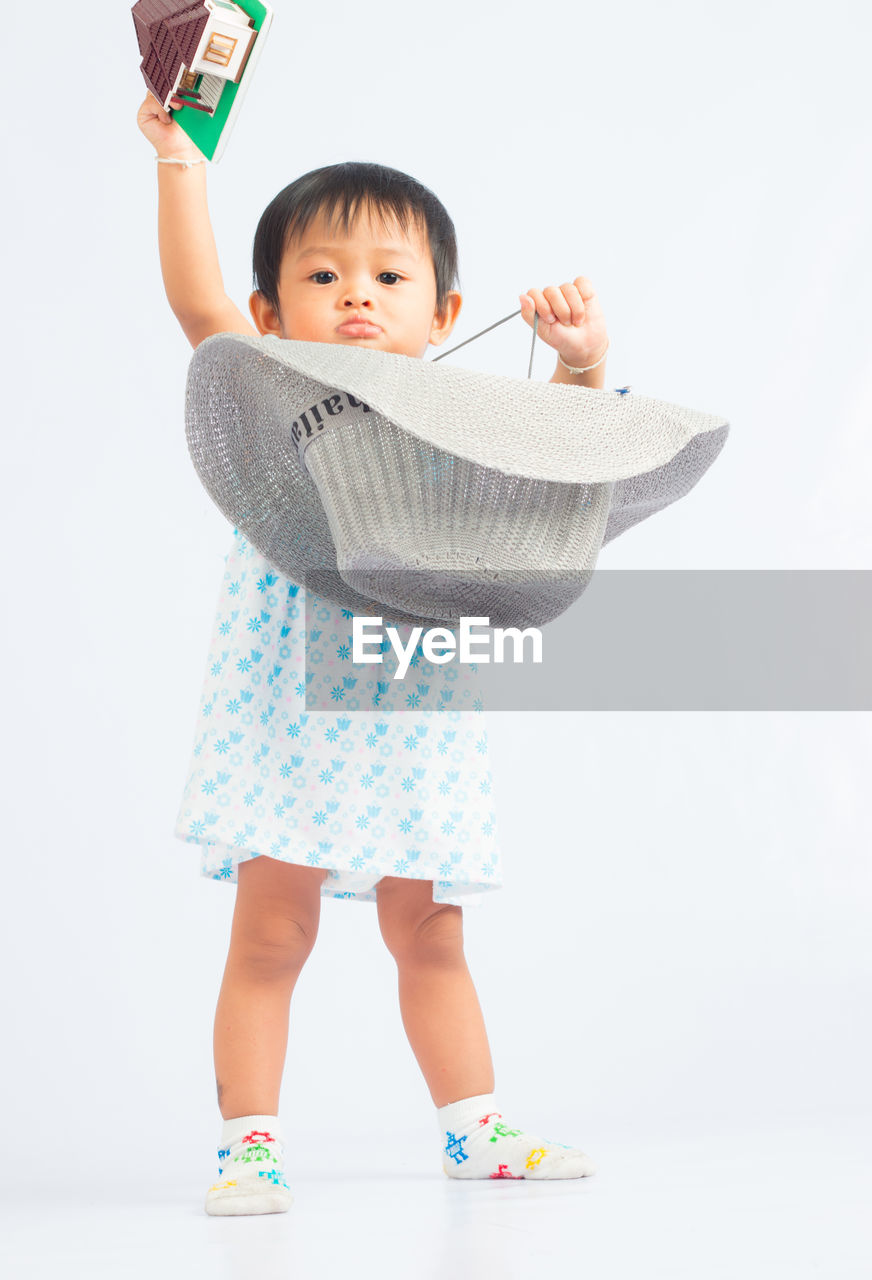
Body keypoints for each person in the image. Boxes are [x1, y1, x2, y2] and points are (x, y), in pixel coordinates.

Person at [137, 90, 606, 1216]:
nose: (357, 293)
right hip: (281, 705)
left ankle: (473, 1128)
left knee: (429, 926)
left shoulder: (456, 409)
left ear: (443, 307)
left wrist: (580, 363)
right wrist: (179, 164)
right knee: (273, 928)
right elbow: (198, 304)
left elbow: (563, 468)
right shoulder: (272, 393)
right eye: (323, 273)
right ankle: (247, 1142)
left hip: (412, 705)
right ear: (272, 305)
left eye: (389, 277)